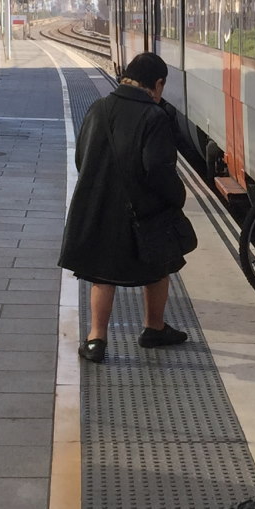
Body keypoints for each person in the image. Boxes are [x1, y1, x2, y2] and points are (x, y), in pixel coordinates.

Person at [61, 51, 194, 363]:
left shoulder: (99, 108)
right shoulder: (154, 117)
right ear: (157, 84)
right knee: (159, 266)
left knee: (102, 275)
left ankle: (95, 340)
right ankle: (154, 328)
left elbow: (82, 157)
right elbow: (157, 169)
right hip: (142, 211)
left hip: (99, 205)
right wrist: (177, 196)